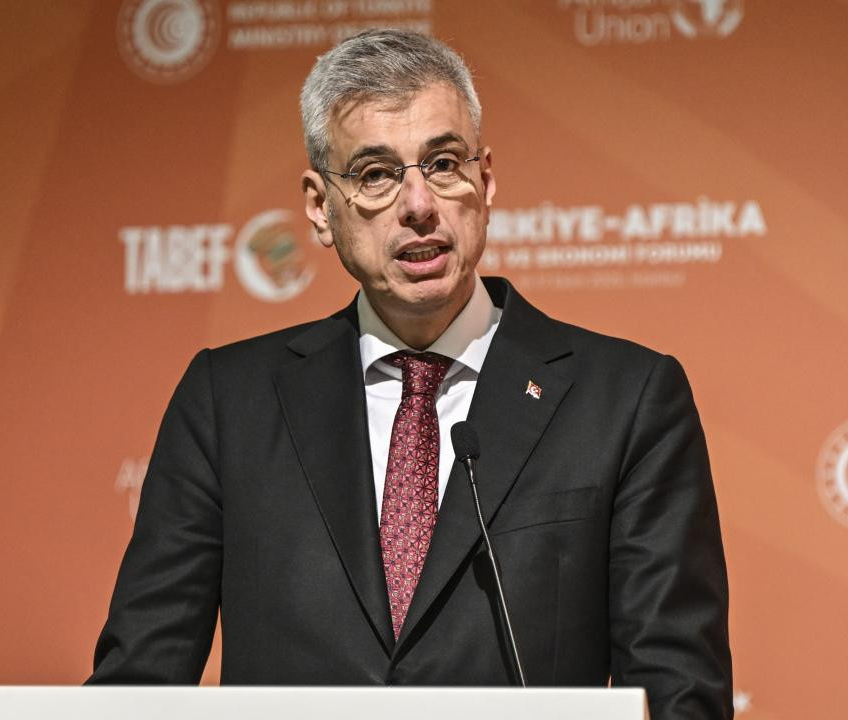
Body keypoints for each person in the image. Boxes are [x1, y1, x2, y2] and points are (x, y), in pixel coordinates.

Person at [89, 28, 732, 719]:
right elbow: (138, 684)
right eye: (375, 174)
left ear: (485, 181)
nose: (419, 205)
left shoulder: (626, 400)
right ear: (319, 207)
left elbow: (680, 694)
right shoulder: (228, 402)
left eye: (444, 164)